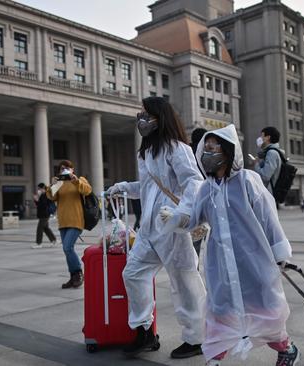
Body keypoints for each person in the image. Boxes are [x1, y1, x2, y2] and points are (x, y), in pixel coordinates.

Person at [165, 125, 299, 366]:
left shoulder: (248, 181)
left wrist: (280, 253)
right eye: (204, 148)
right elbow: (194, 219)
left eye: (212, 147)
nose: (207, 152)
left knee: (265, 311)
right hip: (221, 263)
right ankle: (214, 359)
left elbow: (268, 219)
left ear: (227, 151)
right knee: (220, 310)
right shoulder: (206, 189)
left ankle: (287, 348)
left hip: (254, 259)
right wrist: (175, 217)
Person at [107, 96, 206, 359]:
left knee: (184, 282)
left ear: (159, 118)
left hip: (173, 228)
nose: (141, 119)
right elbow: (148, 188)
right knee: (133, 273)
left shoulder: (177, 149)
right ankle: (144, 331)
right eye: (140, 114)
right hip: (149, 229)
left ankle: (196, 338)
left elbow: (193, 183)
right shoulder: (147, 153)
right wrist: (124, 188)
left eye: (146, 114)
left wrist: (181, 214)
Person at [47, 160, 92, 289]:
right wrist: (53, 185)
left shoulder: (79, 180)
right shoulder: (59, 183)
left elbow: (87, 191)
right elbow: (51, 197)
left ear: (72, 169)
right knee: (67, 250)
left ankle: (78, 274)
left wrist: (75, 180)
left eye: (67, 167)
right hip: (63, 221)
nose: (64, 170)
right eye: (62, 168)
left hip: (76, 220)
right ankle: (73, 277)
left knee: (67, 247)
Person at [190, 127, 208, 258]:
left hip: (191, 202)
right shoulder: (205, 152)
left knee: (194, 242)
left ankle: (194, 268)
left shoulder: (187, 152)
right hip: (207, 199)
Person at [254, 126, 283, 198]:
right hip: (269, 194)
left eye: (262, 136)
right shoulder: (272, 152)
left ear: (268, 137)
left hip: (269, 195)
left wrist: (256, 164)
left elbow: (265, 176)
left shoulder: (272, 153)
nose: (260, 138)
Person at [33, 183, 57, 249]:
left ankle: (39, 243)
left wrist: (37, 200)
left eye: (39, 188)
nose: (38, 190)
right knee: (46, 228)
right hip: (43, 214)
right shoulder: (43, 195)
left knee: (39, 229)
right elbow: (39, 205)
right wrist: (36, 200)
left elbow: (43, 205)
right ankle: (54, 240)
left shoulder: (46, 195)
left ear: (42, 188)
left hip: (45, 214)